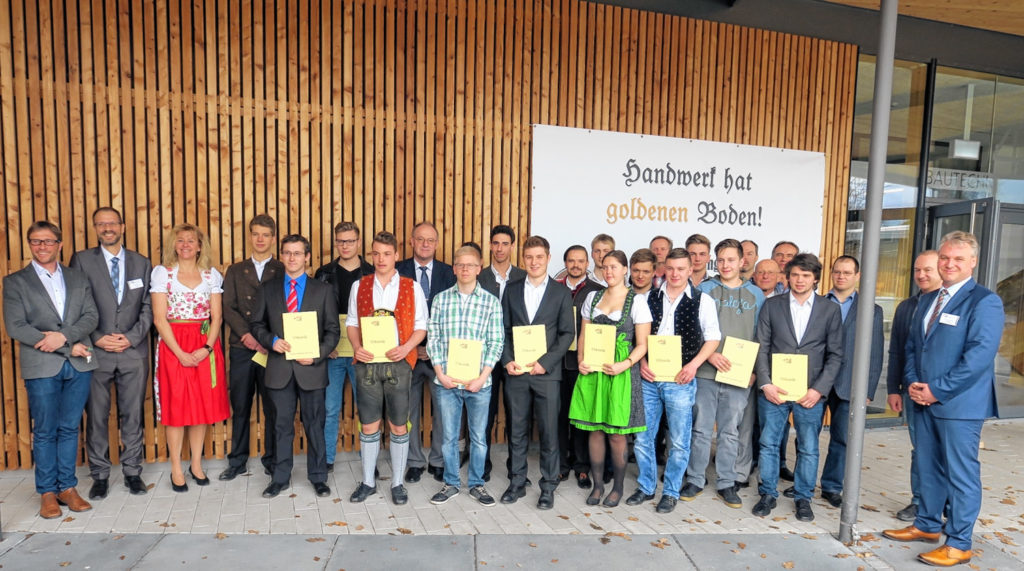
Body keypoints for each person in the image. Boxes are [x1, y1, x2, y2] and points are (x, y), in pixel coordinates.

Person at [883, 232, 1004, 567]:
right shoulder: (928, 300)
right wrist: (912, 383)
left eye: (958, 259)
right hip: (921, 401)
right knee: (927, 467)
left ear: (973, 262)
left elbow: (978, 356)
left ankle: (960, 542)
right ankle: (926, 525)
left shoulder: (984, 301)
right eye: (946, 258)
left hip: (958, 406)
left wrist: (937, 389)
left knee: (961, 475)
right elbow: (912, 346)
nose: (950, 264)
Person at [4, 221, 98, 518]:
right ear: (30, 245)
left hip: (79, 366)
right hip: (43, 365)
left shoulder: (78, 277)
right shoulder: (15, 281)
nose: (42, 246)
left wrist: (65, 336)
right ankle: (47, 492)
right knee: (45, 431)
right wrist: (66, 345)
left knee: (70, 428)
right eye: (36, 241)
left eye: (48, 241)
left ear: (59, 244)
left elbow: (91, 316)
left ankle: (67, 487)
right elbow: (16, 326)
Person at [752, 253, 843, 523]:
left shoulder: (829, 309)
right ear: (787, 277)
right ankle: (767, 493)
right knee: (768, 443)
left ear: (815, 278)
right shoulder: (772, 306)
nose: (800, 280)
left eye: (805, 276)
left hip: (810, 393)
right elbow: (762, 345)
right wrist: (765, 383)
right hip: (774, 391)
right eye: (795, 275)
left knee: (809, 447)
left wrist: (818, 390)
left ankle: (804, 498)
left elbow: (836, 354)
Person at [69, 208, 153, 499]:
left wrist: (130, 338)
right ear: (95, 228)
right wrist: (96, 337)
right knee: (97, 415)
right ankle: (100, 475)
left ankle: (132, 472)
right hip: (96, 351)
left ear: (123, 226)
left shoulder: (142, 263)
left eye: (112, 223)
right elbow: (74, 304)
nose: (107, 228)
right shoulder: (81, 261)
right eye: (101, 224)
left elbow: (149, 305)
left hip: (132, 351)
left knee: (133, 414)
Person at [630, 248, 721, 514]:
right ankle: (646, 487)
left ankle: (670, 492)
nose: (675, 273)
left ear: (690, 270)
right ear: (664, 269)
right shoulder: (646, 298)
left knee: (680, 440)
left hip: (681, 379)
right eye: (671, 268)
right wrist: (642, 363)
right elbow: (640, 338)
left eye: (681, 269)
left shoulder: (703, 301)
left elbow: (713, 338)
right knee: (643, 438)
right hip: (649, 378)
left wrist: (693, 366)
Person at [249, 234, 340, 499]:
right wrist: (272, 340)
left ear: (307, 257)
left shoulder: (322, 291)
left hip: (311, 369)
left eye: (297, 253)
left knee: (315, 424)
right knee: (281, 426)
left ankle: (318, 477)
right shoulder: (268, 289)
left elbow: (333, 331)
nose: (292, 258)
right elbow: (256, 325)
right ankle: (280, 478)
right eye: (287, 253)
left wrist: (317, 355)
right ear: (282, 256)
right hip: (279, 368)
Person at [346, 231, 428, 505]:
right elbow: (352, 322)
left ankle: (397, 483)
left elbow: (421, 327)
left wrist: (406, 349)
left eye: (387, 253)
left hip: (399, 364)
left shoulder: (411, 286)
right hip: (368, 364)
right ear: (371, 255)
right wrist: (356, 347)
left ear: (396, 255)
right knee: (369, 425)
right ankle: (368, 481)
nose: (381, 259)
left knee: (398, 425)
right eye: (376, 253)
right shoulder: (360, 286)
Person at [683, 239, 765, 509]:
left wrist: (754, 371)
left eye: (730, 259)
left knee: (731, 432)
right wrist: (710, 354)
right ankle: (695, 478)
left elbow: (761, 336)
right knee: (701, 429)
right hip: (706, 370)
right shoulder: (704, 289)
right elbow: (692, 328)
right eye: (720, 260)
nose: (725, 264)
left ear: (742, 262)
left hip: (739, 375)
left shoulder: (756, 295)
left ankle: (727, 482)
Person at [150, 223, 230, 492]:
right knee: (177, 409)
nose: (185, 245)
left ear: (199, 246)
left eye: (191, 241)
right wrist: (180, 353)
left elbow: (217, 317)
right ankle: (176, 467)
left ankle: (196, 464)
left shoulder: (211, 276)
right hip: (174, 344)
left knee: (201, 409)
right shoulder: (163, 274)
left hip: (204, 344)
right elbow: (160, 319)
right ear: (174, 245)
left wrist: (206, 348)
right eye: (180, 240)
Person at [569, 250, 651, 507]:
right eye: (605, 267)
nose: (609, 272)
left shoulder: (636, 301)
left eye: (614, 267)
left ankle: (617, 487)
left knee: (616, 434)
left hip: (620, 373)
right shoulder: (593, 297)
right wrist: (581, 359)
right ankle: (597, 486)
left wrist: (624, 364)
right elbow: (583, 334)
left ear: (625, 270)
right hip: (593, 370)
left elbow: (643, 344)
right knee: (594, 429)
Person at [500, 235, 574, 510]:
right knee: (516, 430)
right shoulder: (511, 289)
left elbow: (567, 333)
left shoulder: (561, 292)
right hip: (517, 372)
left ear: (548, 258)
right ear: (523, 259)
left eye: (539, 257)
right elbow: (503, 330)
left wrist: (546, 361)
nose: (534, 262)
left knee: (549, 432)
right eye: (529, 257)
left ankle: (548, 486)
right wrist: (507, 360)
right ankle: (517, 482)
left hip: (546, 373)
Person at [426, 246, 505, 506]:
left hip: (479, 383)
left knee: (479, 437)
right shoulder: (440, 299)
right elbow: (434, 338)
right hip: (446, 381)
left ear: (479, 268)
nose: (465, 269)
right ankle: (450, 483)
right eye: (460, 265)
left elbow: (495, 341)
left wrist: (482, 377)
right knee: (449, 437)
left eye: (470, 265)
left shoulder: (490, 302)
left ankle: (477, 484)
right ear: (454, 267)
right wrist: (440, 372)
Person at [812, 255, 883, 507]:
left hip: (849, 385)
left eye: (846, 272)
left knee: (842, 438)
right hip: (816, 382)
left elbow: (875, 353)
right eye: (837, 272)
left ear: (857, 276)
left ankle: (832, 487)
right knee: (808, 436)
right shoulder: (816, 303)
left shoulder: (871, 310)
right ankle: (805, 484)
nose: (841, 276)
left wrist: (868, 390)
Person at [219, 215, 284, 482]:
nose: (260, 239)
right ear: (250, 236)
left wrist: (268, 339)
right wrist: (247, 335)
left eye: (265, 235)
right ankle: (237, 461)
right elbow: (227, 307)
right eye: (256, 234)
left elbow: (287, 308)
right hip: (242, 347)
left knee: (272, 406)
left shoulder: (282, 269)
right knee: (241, 404)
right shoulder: (235, 270)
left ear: (272, 238)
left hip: (272, 349)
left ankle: (272, 459)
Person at [397, 221, 456, 483]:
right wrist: (414, 347)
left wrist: (431, 349)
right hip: (406, 353)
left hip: (439, 356)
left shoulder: (449, 273)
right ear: (411, 241)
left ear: (437, 244)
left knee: (443, 410)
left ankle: (438, 460)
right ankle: (414, 461)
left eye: (430, 240)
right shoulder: (398, 272)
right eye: (420, 239)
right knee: (408, 410)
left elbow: (454, 316)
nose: (425, 244)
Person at [885, 250, 940, 522]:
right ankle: (919, 501)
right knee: (920, 449)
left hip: (946, 394)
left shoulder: (952, 305)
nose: (921, 275)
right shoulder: (907, 307)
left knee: (946, 452)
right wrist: (894, 388)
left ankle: (947, 505)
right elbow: (897, 351)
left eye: (927, 270)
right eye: (918, 270)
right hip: (913, 392)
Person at [313, 221, 373, 472]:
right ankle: (327, 458)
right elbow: (314, 311)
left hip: (364, 350)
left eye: (350, 240)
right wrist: (325, 345)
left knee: (367, 406)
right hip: (334, 352)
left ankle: (368, 458)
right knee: (330, 407)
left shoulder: (371, 271)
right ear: (336, 242)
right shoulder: (323, 273)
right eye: (341, 241)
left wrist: (367, 344)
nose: (345, 245)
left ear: (358, 242)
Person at [478, 224, 527, 481]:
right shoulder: (479, 276)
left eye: (504, 244)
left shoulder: (523, 276)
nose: (499, 248)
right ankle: (482, 465)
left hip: (516, 354)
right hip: (485, 354)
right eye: (495, 243)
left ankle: (515, 468)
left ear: (512, 246)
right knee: (485, 413)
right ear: (490, 245)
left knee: (515, 413)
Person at [558, 245, 603, 488]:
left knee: (581, 417)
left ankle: (581, 466)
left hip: (585, 364)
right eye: (571, 260)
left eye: (580, 261)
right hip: (557, 363)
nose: (576, 265)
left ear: (588, 263)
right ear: (565, 262)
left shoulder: (598, 291)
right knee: (560, 415)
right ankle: (561, 466)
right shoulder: (554, 288)